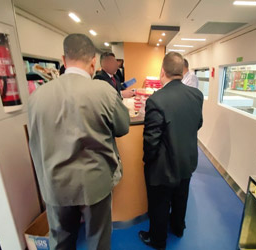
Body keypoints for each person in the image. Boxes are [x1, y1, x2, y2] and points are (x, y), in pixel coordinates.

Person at [28, 34, 130, 250]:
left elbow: (35, 142)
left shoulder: (37, 97)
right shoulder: (104, 92)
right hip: (95, 185)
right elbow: (122, 127)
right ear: (93, 61)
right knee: (97, 241)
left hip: (55, 185)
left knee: (61, 243)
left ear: (64, 60)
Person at [139, 52, 203, 249]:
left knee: (159, 202)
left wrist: (147, 161)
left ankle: (157, 240)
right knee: (181, 196)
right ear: (182, 71)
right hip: (188, 159)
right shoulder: (196, 95)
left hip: (163, 165)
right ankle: (178, 227)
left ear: (162, 72)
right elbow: (198, 123)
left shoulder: (157, 100)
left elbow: (152, 140)